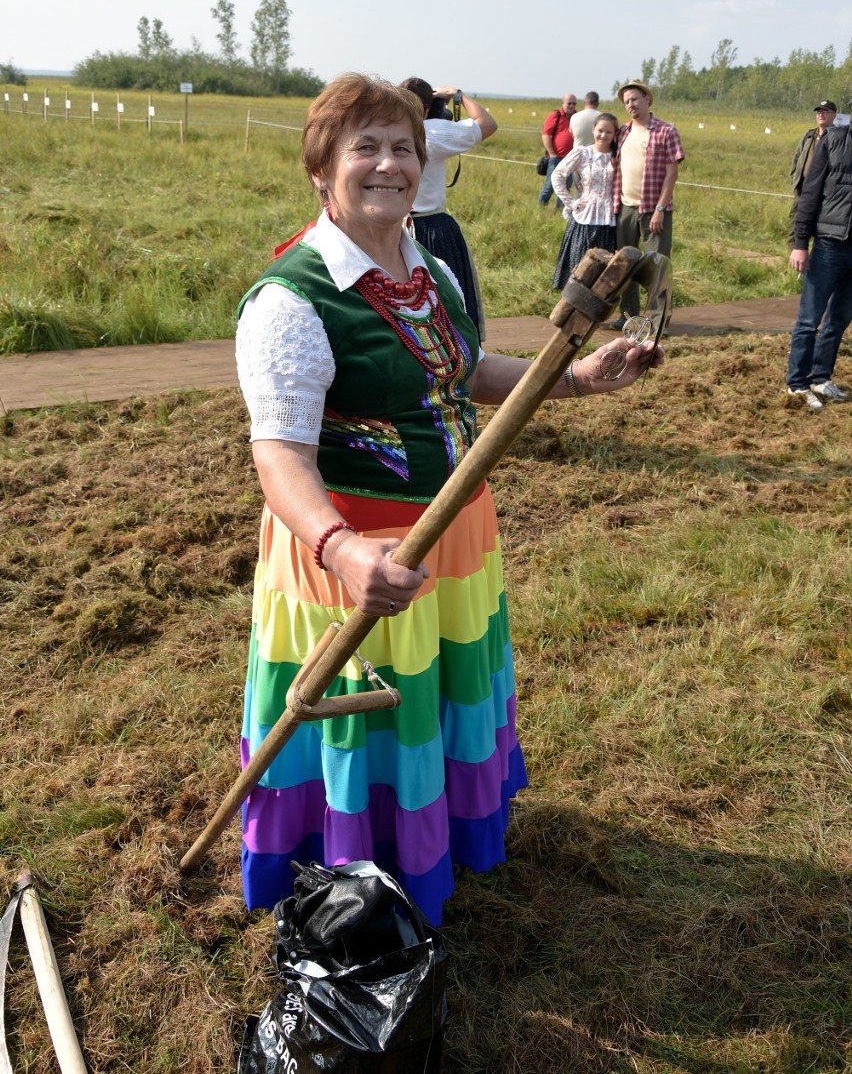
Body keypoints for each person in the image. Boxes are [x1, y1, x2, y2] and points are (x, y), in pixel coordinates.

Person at [234, 73, 663, 926]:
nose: (389, 163)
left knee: (435, 700)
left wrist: (573, 378)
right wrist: (344, 550)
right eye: (367, 146)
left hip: (454, 534)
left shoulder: (421, 260)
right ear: (322, 168)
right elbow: (279, 457)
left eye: (403, 146)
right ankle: (347, 872)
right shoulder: (292, 298)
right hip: (358, 552)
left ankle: (436, 846)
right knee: (363, 717)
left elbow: (460, 373)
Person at [400, 78, 495, 340]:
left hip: (395, 225)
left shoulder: (392, 129)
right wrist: (458, 95)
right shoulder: (433, 131)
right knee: (447, 297)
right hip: (432, 227)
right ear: (427, 105)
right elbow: (487, 123)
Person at [785, 117, 852, 409]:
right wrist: (800, 243)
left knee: (839, 319)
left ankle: (821, 377)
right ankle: (797, 384)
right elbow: (809, 193)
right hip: (829, 243)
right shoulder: (834, 139)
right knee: (809, 319)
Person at [610, 80, 685, 330]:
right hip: (625, 207)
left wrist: (660, 209)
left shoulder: (666, 131)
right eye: (626, 101)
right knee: (626, 265)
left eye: (634, 99)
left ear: (647, 99)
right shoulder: (623, 131)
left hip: (653, 209)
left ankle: (657, 321)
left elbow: (672, 174)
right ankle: (629, 316)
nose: (630, 105)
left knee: (657, 265)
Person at [551, 113, 620, 289]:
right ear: (593, 130)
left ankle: (595, 312)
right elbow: (557, 175)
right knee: (579, 267)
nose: (603, 135)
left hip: (609, 220)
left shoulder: (618, 156)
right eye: (600, 130)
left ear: (615, 134)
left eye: (609, 132)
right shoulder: (582, 153)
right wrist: (571, 203)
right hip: (584, 217)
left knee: (602, 274)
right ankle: (570, 310)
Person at [788, 100, 837, 248]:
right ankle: (791, 251)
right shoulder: (809, 135)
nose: (821, 115)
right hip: (803, 186)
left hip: (822, 188)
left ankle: (815, 251)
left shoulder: (836, 137)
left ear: (834, 115)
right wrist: (795, 179)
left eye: (825, 111)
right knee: (796, 218)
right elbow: (797, 158)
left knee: (818, 220)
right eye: (818, 112)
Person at [538, 93, 577, 206]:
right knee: (550, 184)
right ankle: (541, 206)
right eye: (569, 103)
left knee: (566, 186)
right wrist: (552, 154)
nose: (571, 106)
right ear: (563, 103)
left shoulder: (577, 117)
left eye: (574, 103)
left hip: (571, 159)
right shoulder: (556, 115)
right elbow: (546, 135)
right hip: (556, 157)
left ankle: (560, 210)